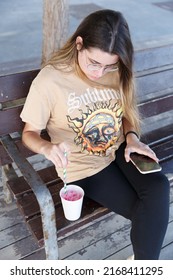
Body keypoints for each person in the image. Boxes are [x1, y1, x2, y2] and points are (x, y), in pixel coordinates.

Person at [20, 9, 170, 260]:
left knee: (159, 187)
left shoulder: (117, 69)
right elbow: (29, 133)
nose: (100, 73)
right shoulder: (51, 79)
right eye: (94, 63)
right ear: (79, 44)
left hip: (121, 151)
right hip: (84, 167)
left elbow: (125, 113)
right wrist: (47, 148)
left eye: (109, 66)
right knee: (145, 211)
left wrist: (132, 137)